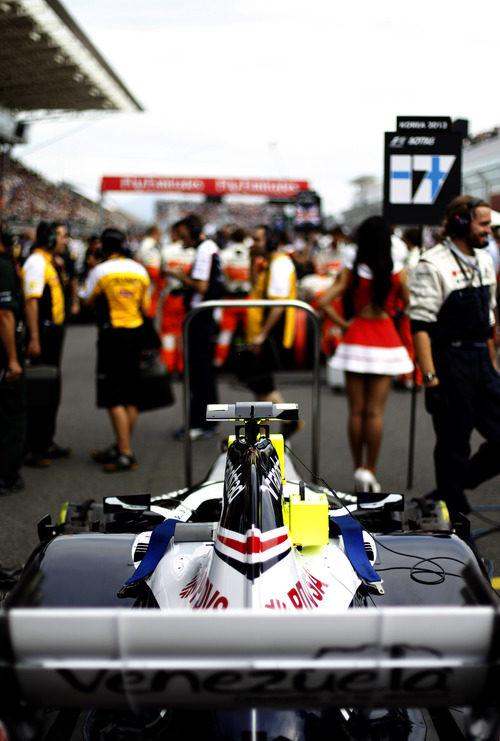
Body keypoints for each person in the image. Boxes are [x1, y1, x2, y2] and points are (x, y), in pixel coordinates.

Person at [408, 195, 499, 520]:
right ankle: (455, 520)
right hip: (449, 363)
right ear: (461, 222)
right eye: (483, 223)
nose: (489, 230)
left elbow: (489, 320)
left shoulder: (485, 258)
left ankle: (449, 489)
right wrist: (431, 380)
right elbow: (419, 326)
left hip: (482, 363)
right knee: (453, 445)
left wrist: (493, 366)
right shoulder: (432, 264)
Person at [318, 215, 413, 493]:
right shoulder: (397, 270)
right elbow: (411, 304)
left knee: (356, 411)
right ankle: (370, 469)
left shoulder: (353, 268)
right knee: (375, 413)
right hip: (385, 337)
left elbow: (324, 301)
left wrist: (343, 323)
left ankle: (357, 467)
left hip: (356, 337)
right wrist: (393, 311)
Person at [79, 227, 150, 472]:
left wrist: (90, 268)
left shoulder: (100, 270)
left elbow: (85, 298)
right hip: (136, 333)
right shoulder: (140, 270)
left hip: (113, 336)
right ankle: (123, 444)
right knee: (130, 395)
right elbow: (146, 305)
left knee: (113, 395)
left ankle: (125, 452)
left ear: (103, 248)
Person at [165, 214, 223, 440]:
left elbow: (200, 286)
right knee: (203, 371)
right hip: (204, 315)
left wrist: (180, 276)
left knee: (199, 372)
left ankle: (200, 422)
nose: (180, 239)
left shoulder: (204, 250)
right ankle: (208, 421)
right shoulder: (209, 247)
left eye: (182, 233)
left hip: (200, 317)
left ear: (191, 230)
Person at [240, 225, 299, 437]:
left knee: (263, 385)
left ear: (271, 241)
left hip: (267, 334)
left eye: (257, 240)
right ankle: (264, 432)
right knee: (259, 386)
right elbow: (254, 288)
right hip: (259, 333)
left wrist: (262, 334)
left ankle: (287, 419)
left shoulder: (280, 265)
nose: (252, 244)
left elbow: (277, 305)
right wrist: (250, 261)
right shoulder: (268, 264)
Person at [22, 220, 70, 467]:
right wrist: (35, 338)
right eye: (61, 236)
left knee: (50, 390)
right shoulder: (36, 262)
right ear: (50, 239)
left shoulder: (48, 263)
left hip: (53, 334)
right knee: (40, 391)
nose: (65, 241)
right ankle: (34, 448)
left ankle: (46, 442)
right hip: (43, 334)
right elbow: (32, 302)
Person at [0, 224, 25, 494]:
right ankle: (7, 475)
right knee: (11, 413)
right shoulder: (4, 268)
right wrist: (13, 359)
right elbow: (5, 315)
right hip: (4, 353)